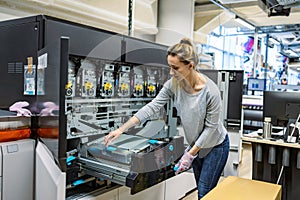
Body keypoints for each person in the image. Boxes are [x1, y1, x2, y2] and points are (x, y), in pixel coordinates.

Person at [104, 38, 229, 199]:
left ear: (190, 66)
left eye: (175, 67)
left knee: (205, 192)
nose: (171, 72)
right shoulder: (174, 83)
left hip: (215, 146)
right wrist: (121, 129)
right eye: (170, 66)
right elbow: (152, 106)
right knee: (202, 190)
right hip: (196, 145)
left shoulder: (210, 91)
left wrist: (189, 155)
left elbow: (211, 129)